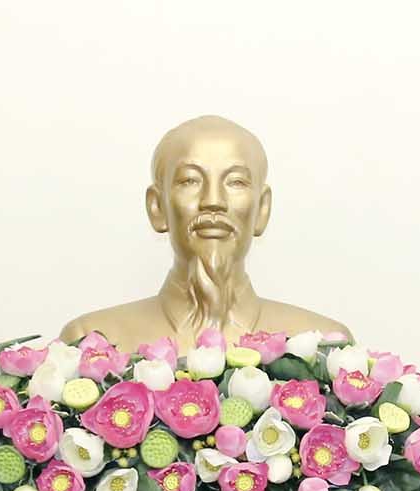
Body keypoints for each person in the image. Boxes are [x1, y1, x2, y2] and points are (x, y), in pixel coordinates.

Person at [59, 115, 352, 351]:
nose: (213, 200)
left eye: (236, 182)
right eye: (190, 180)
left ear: (262, 209)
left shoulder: (324, 347)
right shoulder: (92, 344)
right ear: (157, 207)